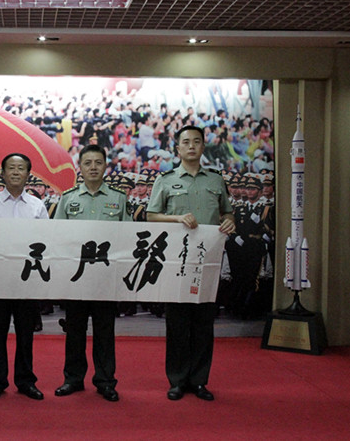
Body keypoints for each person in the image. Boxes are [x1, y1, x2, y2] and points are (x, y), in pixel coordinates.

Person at [146, 125, 235, 402]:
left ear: (203, 146)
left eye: (197, 141)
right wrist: (177, 218)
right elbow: (151, 216)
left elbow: (227, 213)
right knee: (177, 323)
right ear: (177, 148)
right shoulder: (166, 180)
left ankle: (199, 381)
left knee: (203, 323)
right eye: (186, 142)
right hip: (177, 261)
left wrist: (229, 222)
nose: (192, 146)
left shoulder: (215, 180)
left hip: (206, 261)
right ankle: (177, 380)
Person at [53, 144, 128, 402]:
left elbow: (127, 237)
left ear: (106, 166)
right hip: (76, 277)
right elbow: (58, 237)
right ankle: (73, 379)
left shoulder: (119, 198)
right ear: (80, 168)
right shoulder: (68, 198)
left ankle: (105, 381)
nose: (93, 167)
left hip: (106, 277)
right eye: (88, 163)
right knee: (74, 330)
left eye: (98, 162)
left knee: (105, 331)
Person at [0, 153, 48, 401]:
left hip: (27, 279)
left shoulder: (37, 206)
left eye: (21, 168)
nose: (16, 172)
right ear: (3, 174)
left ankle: (26, 381)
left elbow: (46, 241)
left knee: (26, 334)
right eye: (11, 168)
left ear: (28, 174)